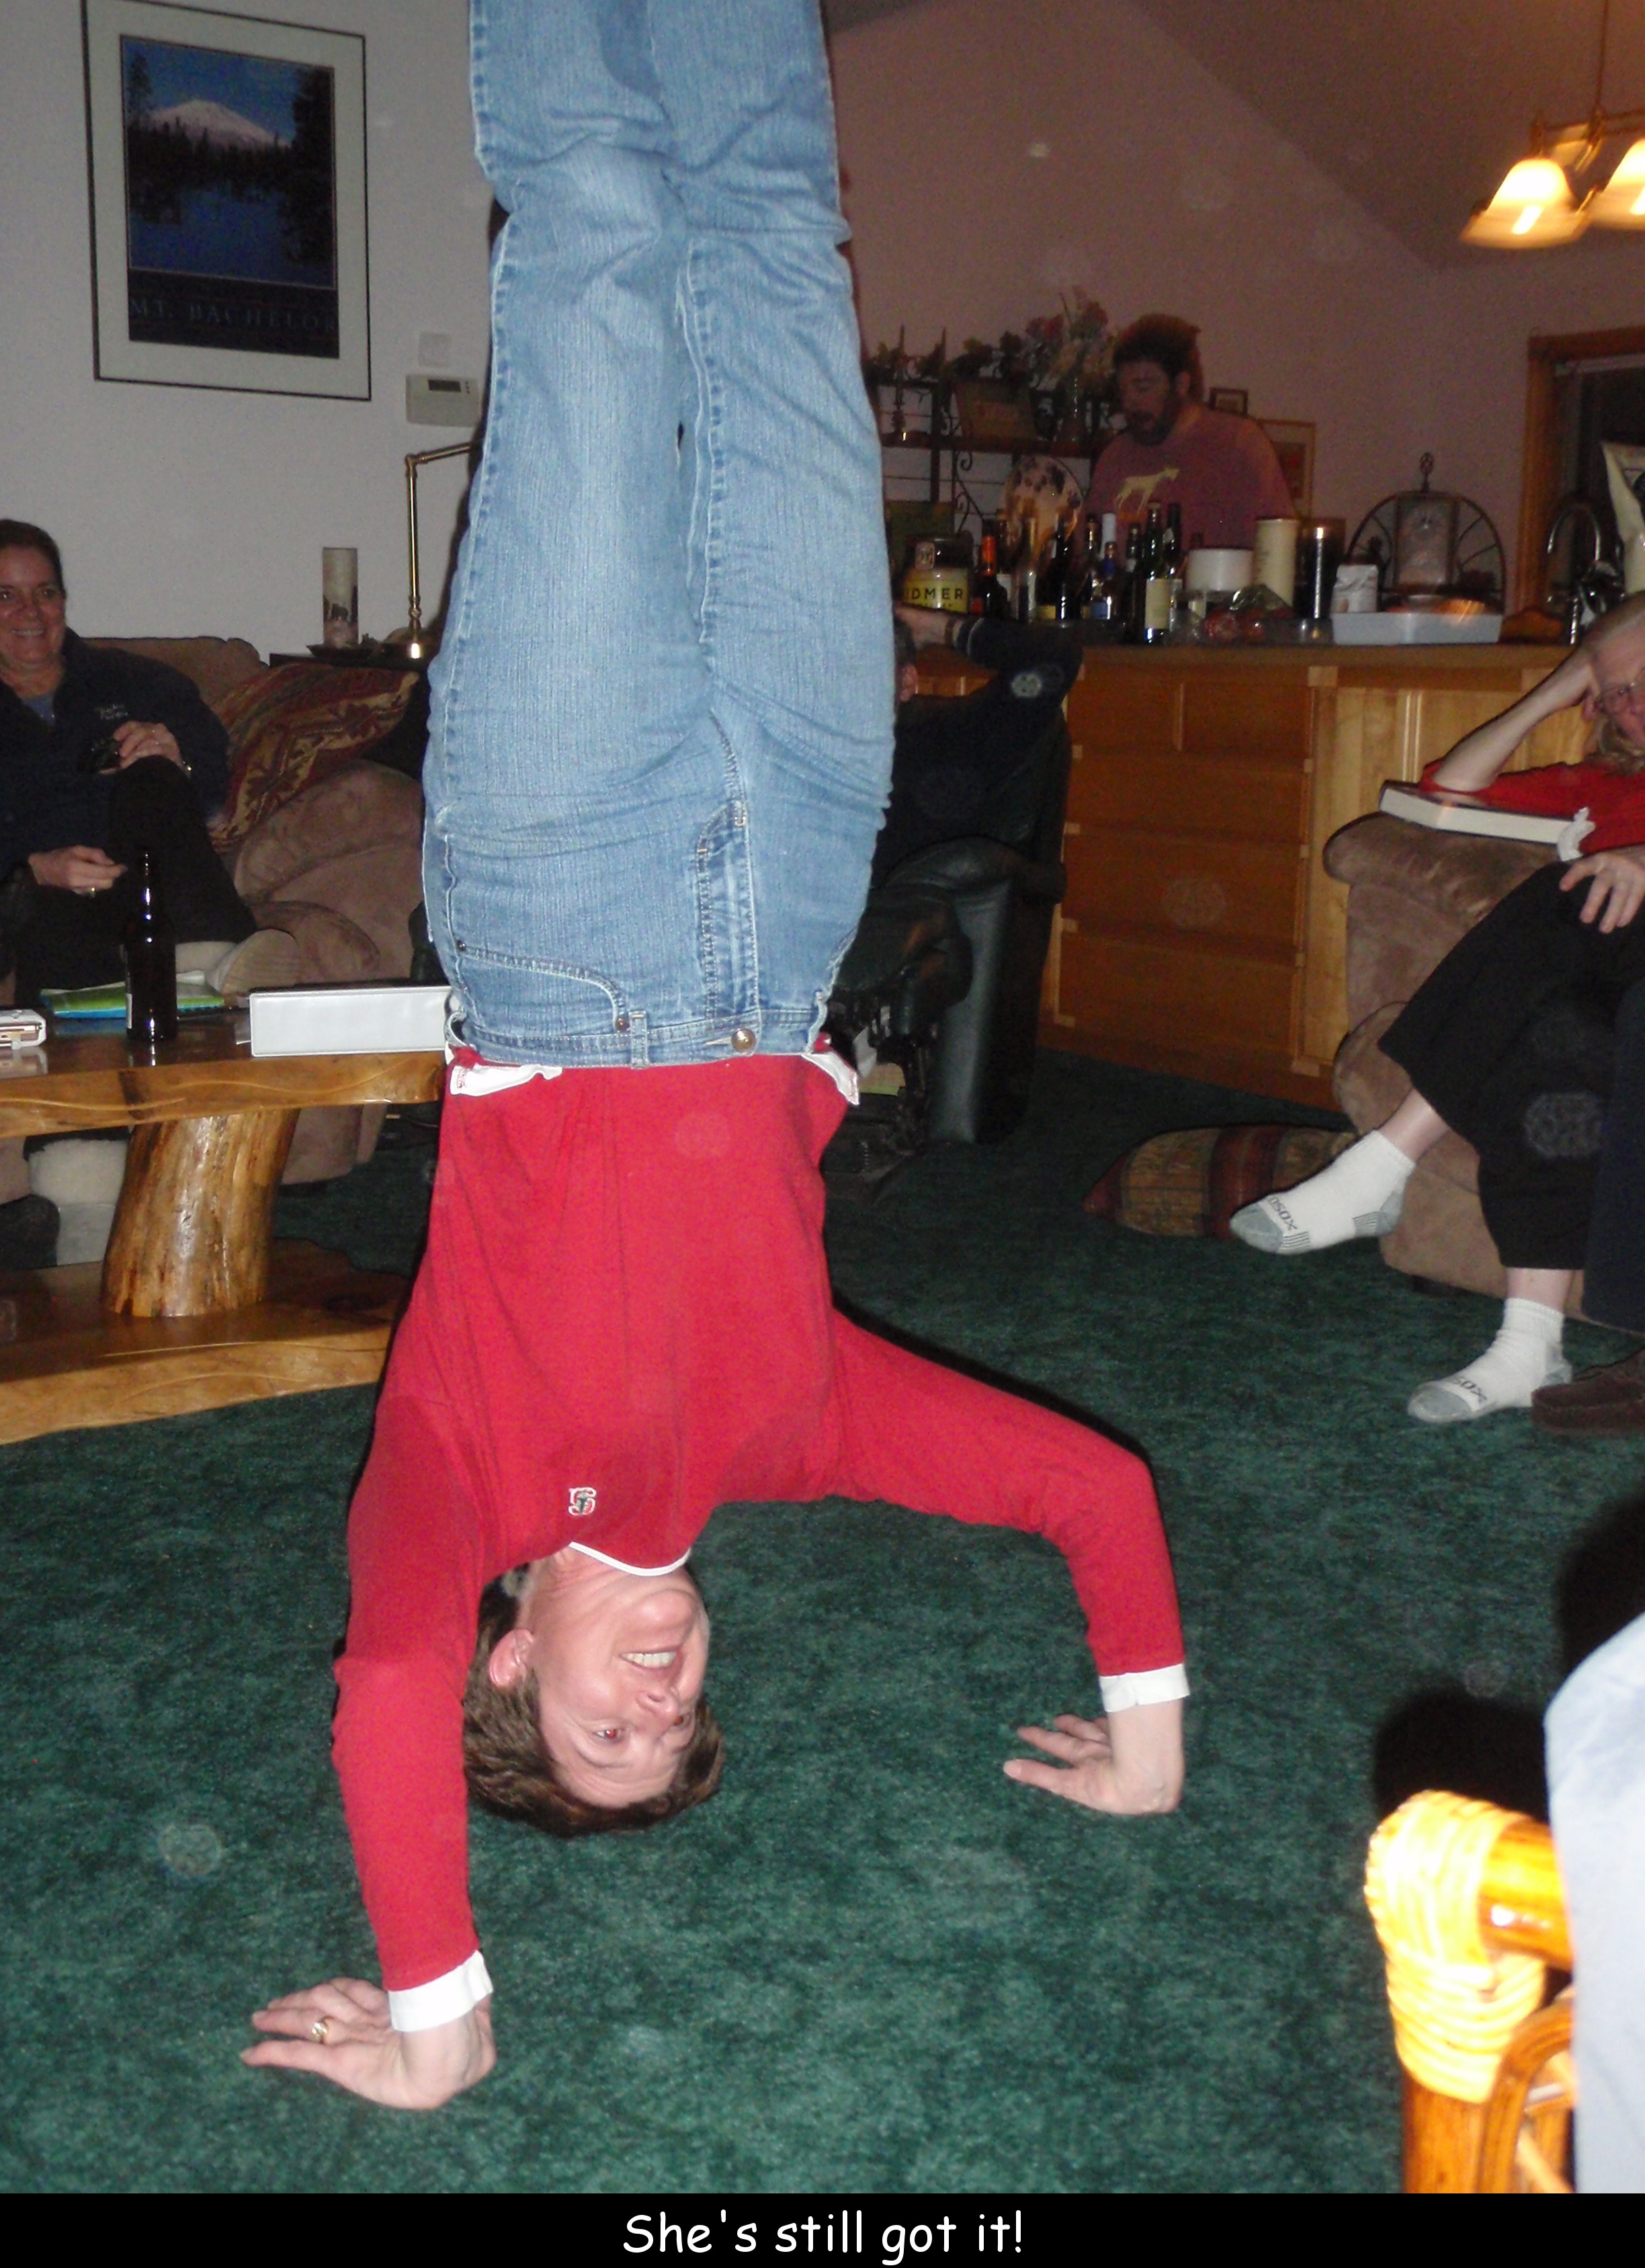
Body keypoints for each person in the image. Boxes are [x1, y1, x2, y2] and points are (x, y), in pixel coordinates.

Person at [241, 0, 1188, 2114]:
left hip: (565, 885)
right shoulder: (799, 1431)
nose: (657, 1697)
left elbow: (378, 1675)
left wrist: (443, 2021)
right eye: (678, 1726)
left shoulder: (459, 1478)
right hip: (797, 871)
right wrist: (1148, 1728)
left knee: (597, 243)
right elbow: (1092, 1488)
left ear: (517, 1659)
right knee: (775, 244)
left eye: (607, 1728)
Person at [1229, 598, 1645, 1423]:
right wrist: (1560, 682)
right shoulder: (1602, 788)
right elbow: (1448, 789)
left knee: (1565, 896)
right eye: (1618, 693)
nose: (1634, 705)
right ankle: (1530, 1344)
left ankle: (1383, 1161)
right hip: (1620, 996)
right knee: (1559, 1045)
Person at [0, 519, 298, 1265]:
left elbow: (216, 774)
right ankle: (85, 1222)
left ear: (65, 600)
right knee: (55, 931)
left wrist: (177, 758)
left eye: (45, 592)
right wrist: (34, 865)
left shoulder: (135, 681)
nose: (30, 613)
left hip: (157, 883)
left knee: (157, 776)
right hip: (44, 893)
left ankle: (210, 961)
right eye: (5, 596)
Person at [874, 605, 1079, 884]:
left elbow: (1055, 656)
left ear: (906, 682)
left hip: (905, 906)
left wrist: (938, 628)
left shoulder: (951, 739)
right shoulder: (818, 749)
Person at [1083, 315, 1294, 552]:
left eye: (1142, 388)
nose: (1129, 402)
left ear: (1181, 385)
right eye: (1123, 390)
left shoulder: (1239, 444)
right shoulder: (1115, 457)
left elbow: (1277, 549)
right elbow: (1086, 550)